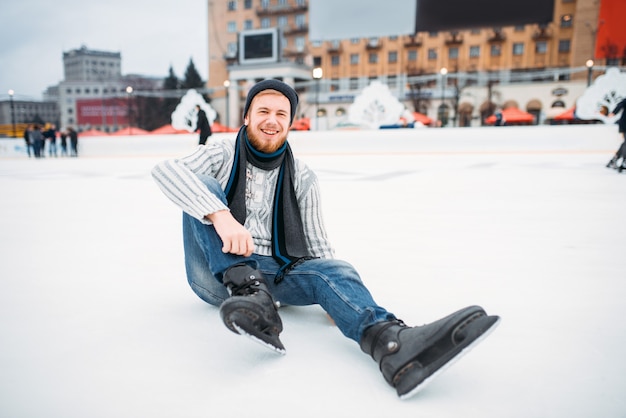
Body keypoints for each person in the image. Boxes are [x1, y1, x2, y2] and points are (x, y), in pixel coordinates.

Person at [152, 79, 500, 399]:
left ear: (290, 124)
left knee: (334, 268)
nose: (271, 120)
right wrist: (222, 217)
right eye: (263, 111)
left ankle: (393, 345)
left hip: (273, 275)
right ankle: (247, 293)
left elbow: (317, 251)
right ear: (246, 118)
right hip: (215, 275)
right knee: (203, 186)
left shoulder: (302, 176)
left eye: (281, 114)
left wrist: (336, 294)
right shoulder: (221, 154)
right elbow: (167, 170)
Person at [606, 97, 626, 172]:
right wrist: (614, 112)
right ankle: (623, 161)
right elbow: (621, 104)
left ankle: (614, 159)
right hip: (625, 124)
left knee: (625, 143)